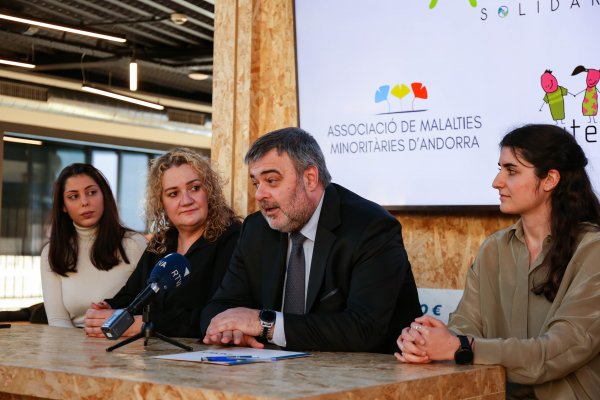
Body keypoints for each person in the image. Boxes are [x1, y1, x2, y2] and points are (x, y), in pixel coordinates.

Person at [396, 124, 600, 399]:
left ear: (550, 179)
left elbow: (557, 352)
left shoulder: (593, 250)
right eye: (500, 169)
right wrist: (425, 343)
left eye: (511, 171)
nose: (497, 181)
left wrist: (461, 347)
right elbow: (464, 328)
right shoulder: (494, 248)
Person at [201, 127, 421, 353]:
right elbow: (219, 307)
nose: (259, 195)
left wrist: (265, 324)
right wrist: (229, 331)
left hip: (367, 371)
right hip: (272, 370)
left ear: (310, 178)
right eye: (256, 183)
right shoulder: (256, 229)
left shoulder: (370, 227)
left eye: (272, 180)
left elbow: (364, 329)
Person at [84, 148, 241, 338]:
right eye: (173, 194)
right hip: (152, 353)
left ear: (209, 191)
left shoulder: (234, 239)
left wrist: (144, 325)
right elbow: (132, 295)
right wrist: (107, 309)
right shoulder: (161, 242)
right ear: (161, 204)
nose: (186, 200)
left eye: (195, 188)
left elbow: (216, 315)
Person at [41, 163, 147, 328]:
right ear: (63, 206)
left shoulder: (135, 244)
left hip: (124, 340)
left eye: (91, 192)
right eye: (73, 196)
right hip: (69, 341)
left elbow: (150, 309)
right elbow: (57, 320)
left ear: (104, 195)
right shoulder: (52, 253)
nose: (85, 202)